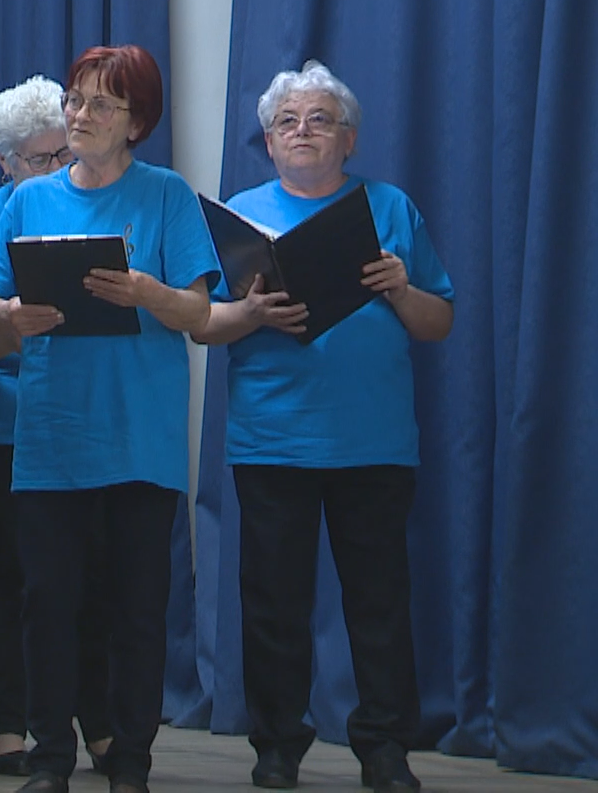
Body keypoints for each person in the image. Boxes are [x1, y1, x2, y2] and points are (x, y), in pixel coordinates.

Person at [191, 61, 452, 793]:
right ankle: (277, 746)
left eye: (319, 120)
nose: (302, 131)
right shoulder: (241, 214)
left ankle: (385, 748)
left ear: (349, 139)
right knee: (273, 606)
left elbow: (439, 321)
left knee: (379, 604)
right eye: (287, 122)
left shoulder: (389, 208)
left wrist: (401, 288)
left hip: (374, 443)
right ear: (269, 142)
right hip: (272, 440)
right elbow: (203, 325)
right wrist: (251, 312)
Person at [0, 45, 219, 793]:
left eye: (100, 104)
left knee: (137, 610)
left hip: (140, 437)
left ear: (136, 122)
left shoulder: (167, 196)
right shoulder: (30, 200)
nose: (79, 115)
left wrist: (145, 290)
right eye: (74, 100)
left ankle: (130, 760)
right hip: (52, 437)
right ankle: (50, 757)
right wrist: (11, 315)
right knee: (48, 606)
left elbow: (199, 311)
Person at [0, 75, 116, 780]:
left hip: (85, 416)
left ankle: (98, 720)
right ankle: (7, 722)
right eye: (38, 159)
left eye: (61, 153)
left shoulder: (95, 204)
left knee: (94, 575)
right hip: (0, 422)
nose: (53, 168)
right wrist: (13, 331)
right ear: (3, 161)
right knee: (7, 574)